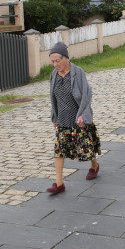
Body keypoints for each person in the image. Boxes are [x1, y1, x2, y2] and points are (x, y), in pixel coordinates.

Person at [47, 41, 101, 194]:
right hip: (63, 118)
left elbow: (86, 94)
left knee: (87, 149)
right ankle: (59, 184)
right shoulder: (53, 75)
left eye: (58, 61)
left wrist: (83, 115)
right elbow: (53, 99)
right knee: (59, 150)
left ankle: (94, 165)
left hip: (78, 118)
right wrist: (54, 117)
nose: (55, 64)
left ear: (66, 58)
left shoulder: (78, 72)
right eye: (52, 62)